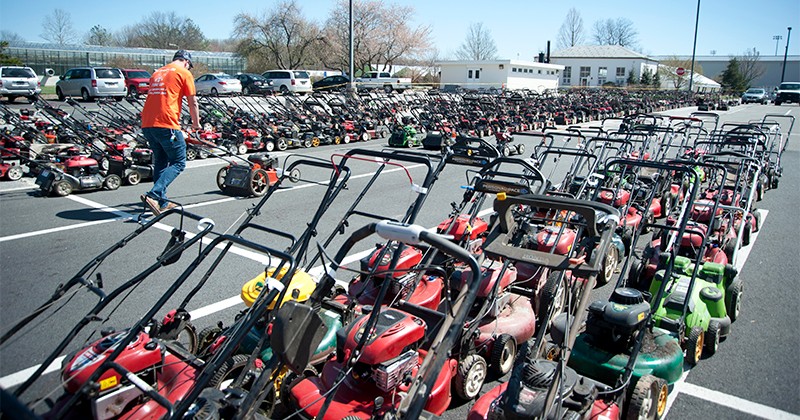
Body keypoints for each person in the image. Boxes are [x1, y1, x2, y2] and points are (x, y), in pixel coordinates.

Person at [139, 49, 201, 215]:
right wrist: (196, 124)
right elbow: (192, 101)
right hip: (166, 123)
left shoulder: (157, 73)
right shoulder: (184, 73)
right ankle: (153, 195)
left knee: (161, 160)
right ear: (186, 62)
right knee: (179, 162)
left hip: (147, 124)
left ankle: (161, 201)